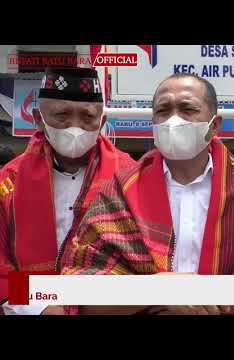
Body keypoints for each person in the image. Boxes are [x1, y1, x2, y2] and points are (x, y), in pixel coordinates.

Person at [61, 73, 234, 315]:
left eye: (187, 109)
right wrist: (155, 291)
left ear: (214, 125)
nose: (174, 119)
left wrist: (214, 298)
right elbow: (78, 287)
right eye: (163, 110)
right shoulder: (120, 192)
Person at [0, 67, 136, 315]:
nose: (75, 127)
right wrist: (40, 305)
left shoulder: (131, 177)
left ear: (102, 121)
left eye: (88, 117)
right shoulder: (9, 181)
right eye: (62, 115)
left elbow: (143, 262)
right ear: (38, 118)